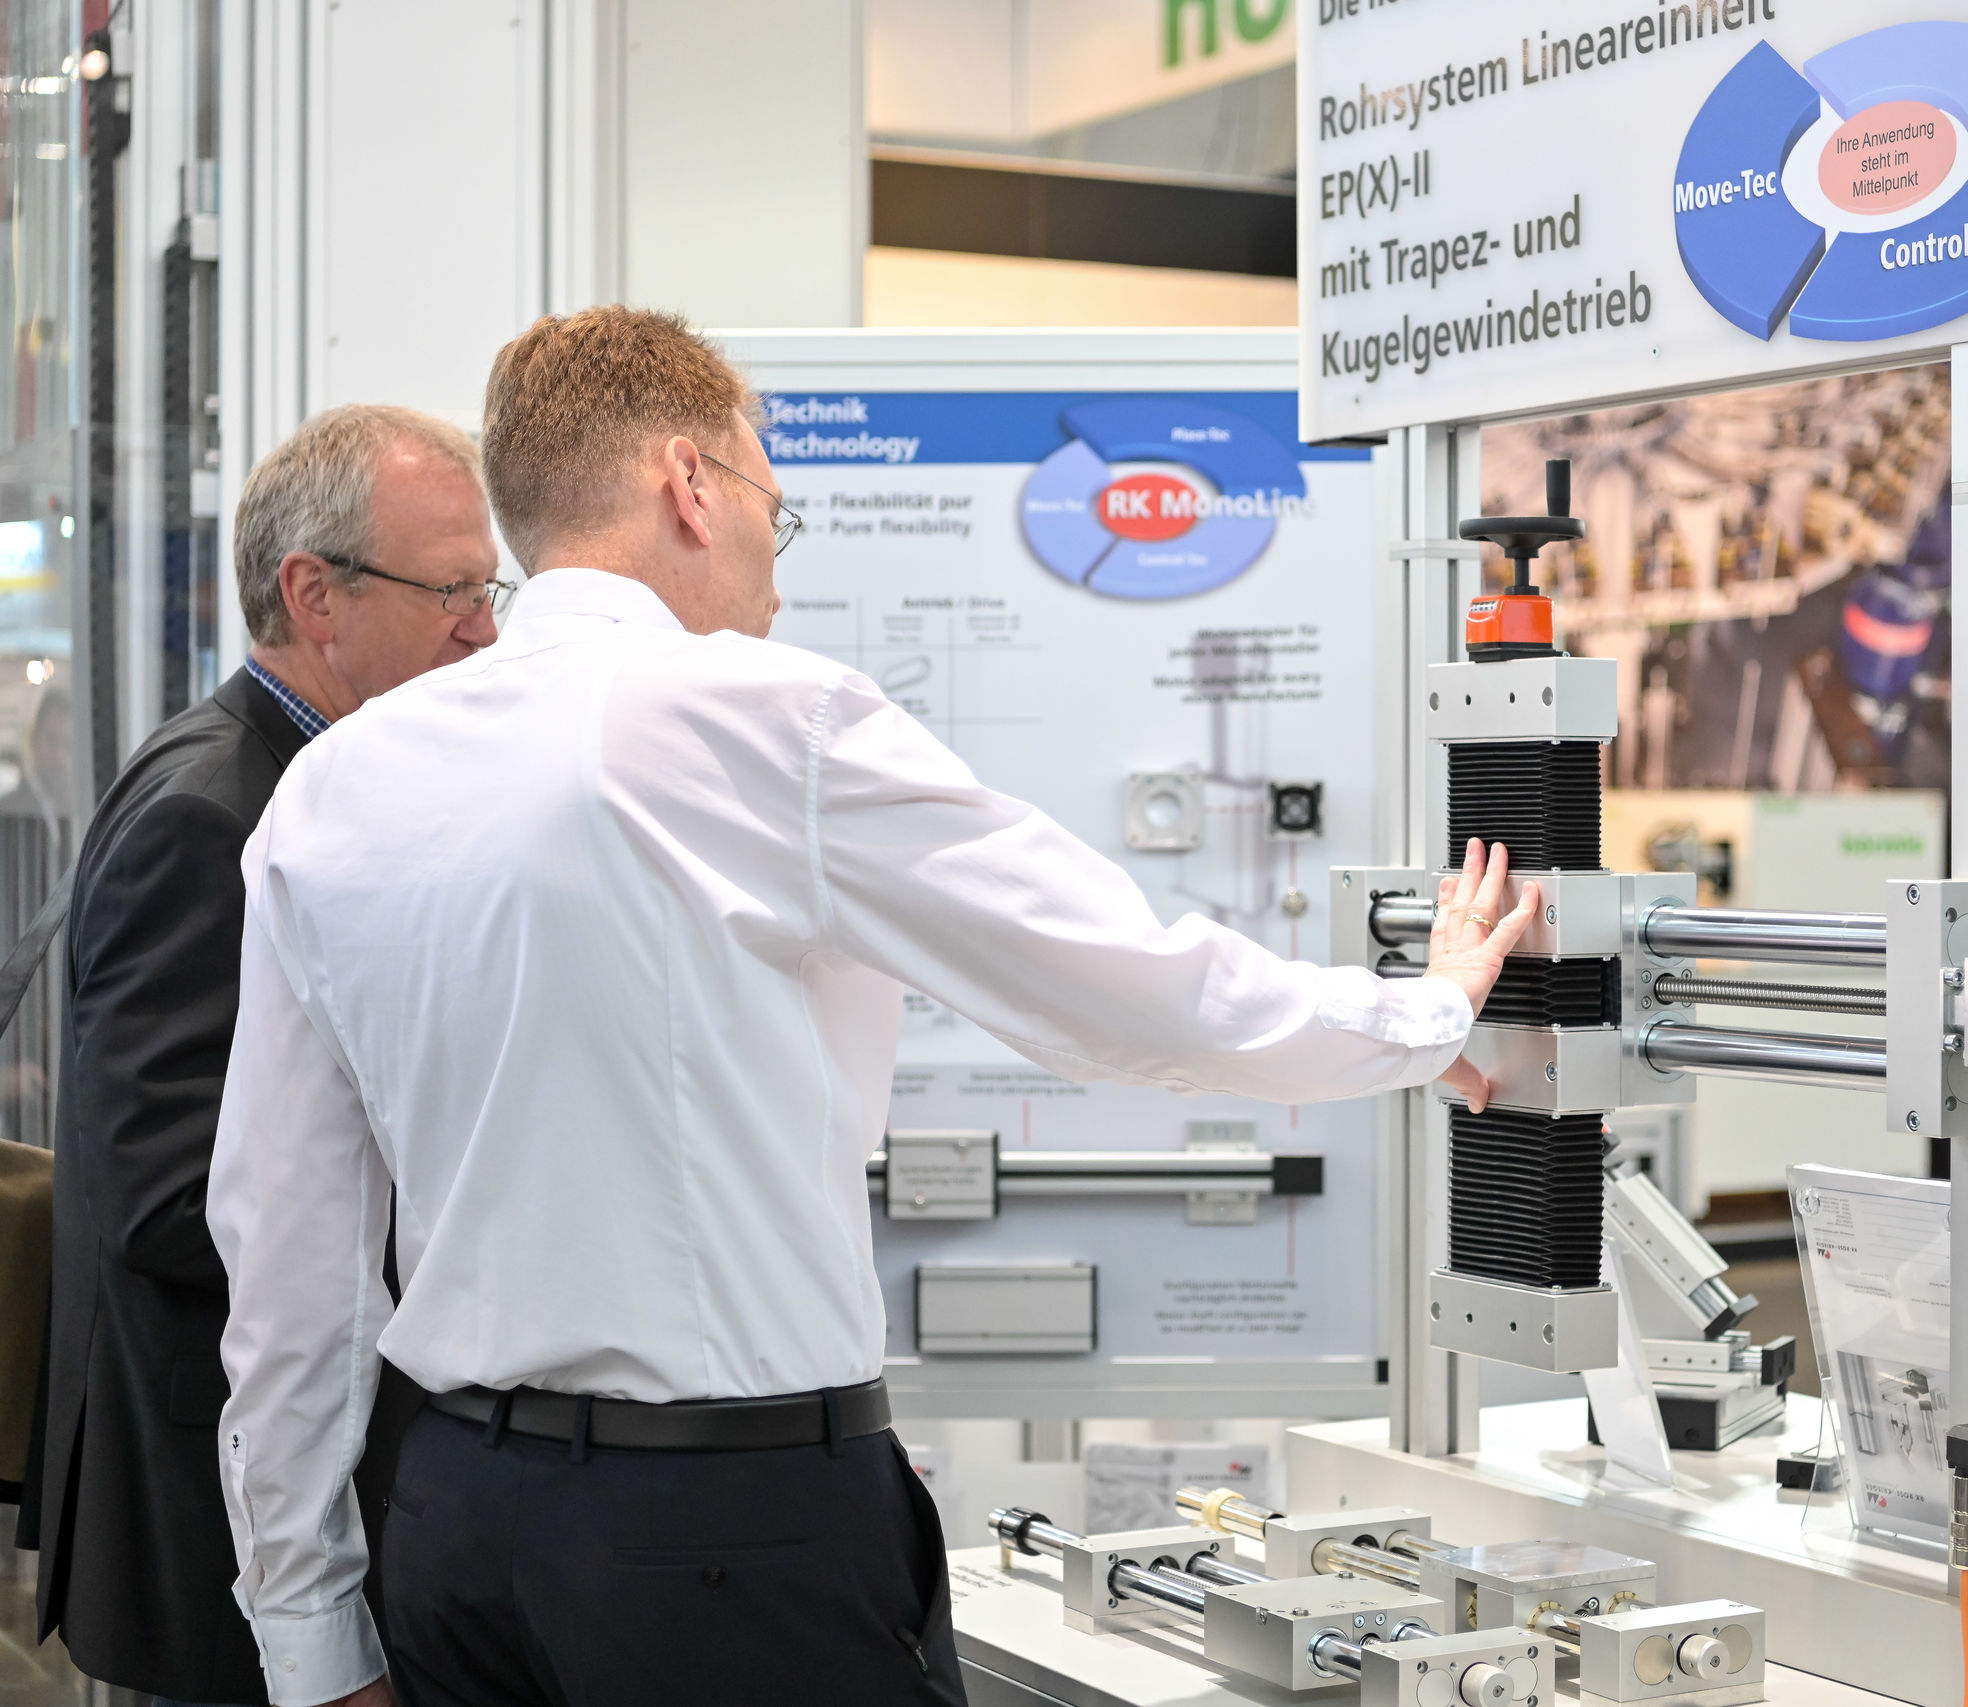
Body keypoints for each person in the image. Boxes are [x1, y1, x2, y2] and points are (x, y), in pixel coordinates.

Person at [205, 306, 1540, 1707]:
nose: (776, 568)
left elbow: (286, 1250)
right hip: (718, 1544)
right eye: (774, 507)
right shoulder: (760, 718)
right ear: (688, 483)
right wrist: (1424, 1014)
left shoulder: (334, 788)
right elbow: (1121, 981)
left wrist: (310, 1630)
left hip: (455, 1534)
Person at [19, 405, 505, 1707]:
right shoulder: (219, 815)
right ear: (314, 595)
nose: (484, 630)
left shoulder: (300, 780)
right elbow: (168, 1194)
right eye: (452, 590)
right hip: (219, 1531)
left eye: (490, 588)